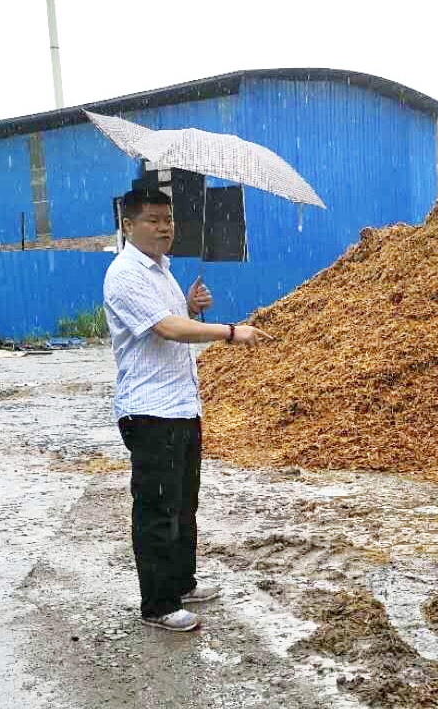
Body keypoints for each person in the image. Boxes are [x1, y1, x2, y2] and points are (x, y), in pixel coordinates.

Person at [103, 188, 264, 632]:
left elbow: (175, 318)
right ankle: (157, 604)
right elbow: (168, 329)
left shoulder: (163, 271)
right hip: (149, 411)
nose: (164, 227)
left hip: (181, 406)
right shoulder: (125, 274)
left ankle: (181, 581)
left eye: (168, 219)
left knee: (182, 504)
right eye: (153, 220)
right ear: (129, 225)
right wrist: (229, 331)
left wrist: (191, 306)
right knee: (156, 509)